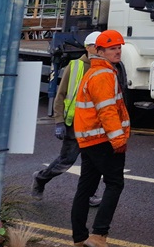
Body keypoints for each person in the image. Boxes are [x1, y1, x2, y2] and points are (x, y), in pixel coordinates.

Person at [71, 29, 131, 247]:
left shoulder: (96, 71)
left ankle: (79, 237)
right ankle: (99, 235)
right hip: (103, 140)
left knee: (85, 187)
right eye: (112, 48)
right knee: (115, 184)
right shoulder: (104, 75)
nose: (118, 51)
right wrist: (118, 140)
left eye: (119, 47)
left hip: (90, 139)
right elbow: (107, 111)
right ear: (100, 51)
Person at [33, 31, 104, 207]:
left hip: (94, 126)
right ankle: (41, 178)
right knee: (65, 162)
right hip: (75, 125)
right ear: (88, 47)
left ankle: (88, 195)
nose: (101, 49)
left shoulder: (106, 67)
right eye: (98, 46)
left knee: (93, 163)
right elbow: (61, 95)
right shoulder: (75, 66)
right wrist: (59, 122)